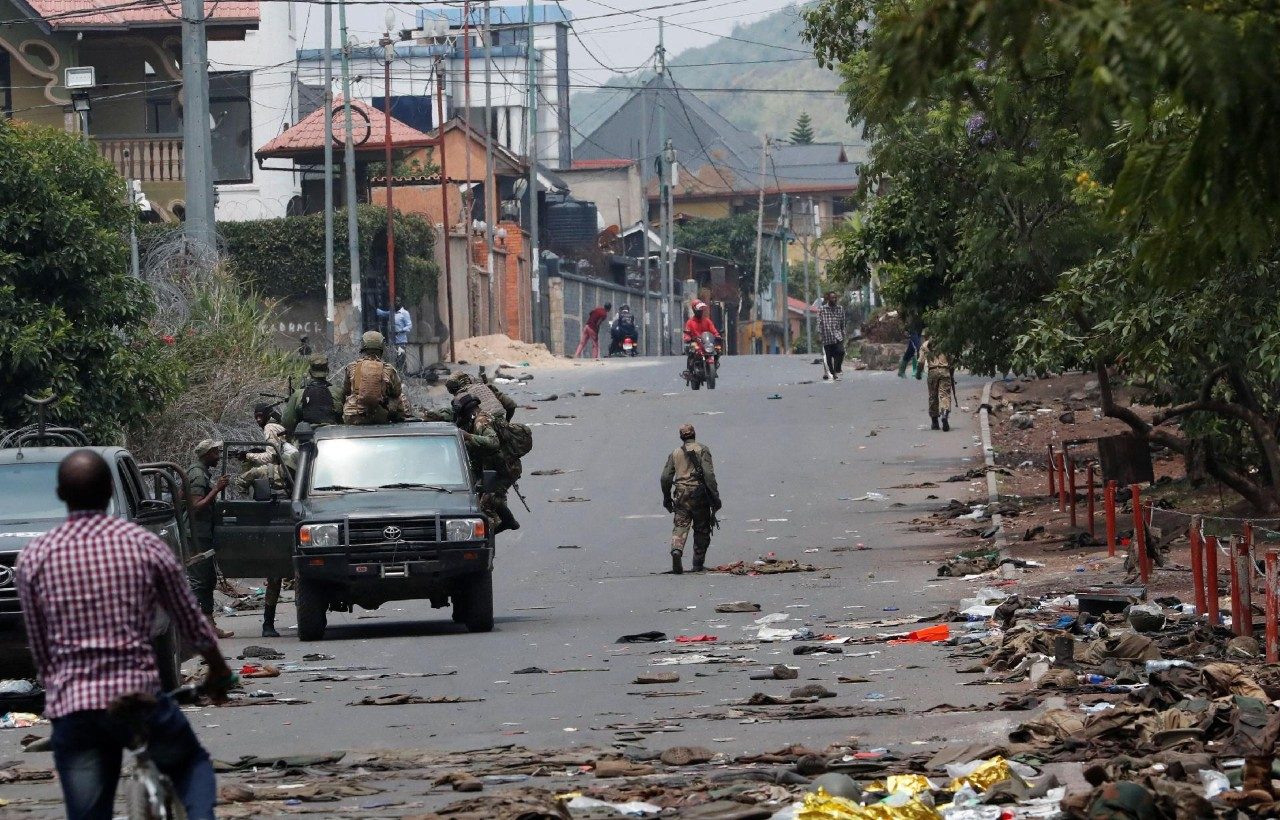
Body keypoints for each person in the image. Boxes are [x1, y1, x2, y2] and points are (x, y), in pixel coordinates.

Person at [16, 450, 237, 820]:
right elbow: (191, 620)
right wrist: (218, 670)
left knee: (87, 811)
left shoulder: (35, 556)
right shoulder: (143, 544)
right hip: (137, 698)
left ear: (60, 494)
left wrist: (57, 697)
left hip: (75, 709)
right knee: (191, 765)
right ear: (109, 491)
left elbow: (40, 646)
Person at [238, 405, 297, 638]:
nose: (257, 420)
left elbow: (242, 482)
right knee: (286, 575)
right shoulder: (296, 469)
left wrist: (248, 456)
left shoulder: (262, 469)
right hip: (292, 521)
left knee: (275, 576)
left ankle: (269, 623)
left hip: (275, 522)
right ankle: (273, 623)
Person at [451, 393, 520, 533]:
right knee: (489, 496)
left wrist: (469, 437)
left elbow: (493, 442)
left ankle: (486, 537)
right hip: (497, 467)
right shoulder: (478, 419)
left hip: (505, 468)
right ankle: (507, 521)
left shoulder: (480, 421)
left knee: (484, 507)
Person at [185, 440, 233, 639]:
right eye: (214, 452)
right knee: (200, 580)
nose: (218, 456)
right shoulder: (197, 474)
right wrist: (217, 489)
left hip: (201, 533)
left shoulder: (199, 472)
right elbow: (196, 507)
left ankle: (207, 624)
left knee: (207, 579)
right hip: (196, 534)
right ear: (206, 454)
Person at [660, 423, 720, 575]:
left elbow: (665, 477)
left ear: (681, 437)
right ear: (694, 434)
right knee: (702, 528)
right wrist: (715, 496)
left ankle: (676, 550)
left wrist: (667, 497)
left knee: (680, 524)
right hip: (699, 494)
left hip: (681, 494)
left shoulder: (675, 453)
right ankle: (698, 564)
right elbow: (709, 475)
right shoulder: (703, 449)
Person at [338, 331, 406, 425]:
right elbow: (397, 392)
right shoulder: (388, 369)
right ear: (382, 347)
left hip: (353, 416)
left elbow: (346, 391)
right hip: (378, 416)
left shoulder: (351, 366)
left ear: (363, 347)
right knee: (399, 397)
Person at [282, 354, 342, 433]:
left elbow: (287, 422)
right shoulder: (338, 392)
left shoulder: (298, 394)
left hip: (306, 436)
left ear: (310, 372)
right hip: (334, 435)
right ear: (327, 371)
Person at [919, 337, 954, 431]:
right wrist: (951, 373)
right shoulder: (945, 342)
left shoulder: (925, 345)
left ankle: (934, 422)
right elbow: (951, 359)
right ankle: (944, 414)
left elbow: (921, 361)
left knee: (933, 396)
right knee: (945, 395)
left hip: (932, 372)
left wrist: (919, 373)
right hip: (945, 371)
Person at [682, 301, 723, 377]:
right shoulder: (690, 322)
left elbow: (713, 330)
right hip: (696, 343)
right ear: (694, 310)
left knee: (718, 350)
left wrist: (717, 336)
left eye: (701, 309)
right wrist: (687, 338)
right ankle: (689, 370)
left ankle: (714, 365)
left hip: (707, 343)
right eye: (698, 309)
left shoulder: (707, 321)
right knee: (691, 351)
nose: (700, 311)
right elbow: (687, 333)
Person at [376, 298, 413, 371]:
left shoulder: (404, 313)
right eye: (394, 302)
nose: (395, 303)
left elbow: (409, 325)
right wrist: (373, 306)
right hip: (392, 342)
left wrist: (400, 331)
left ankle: (402, 374)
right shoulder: (391, 313)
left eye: (397, 301)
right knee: (394, 360)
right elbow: (382, 313)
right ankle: (396, 374)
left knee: (401, 359)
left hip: (401, 341)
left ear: (400, 303)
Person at [818, 291, 846, 380]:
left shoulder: (840, 309)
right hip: (827, 336)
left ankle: (837, 368)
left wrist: (843, 333)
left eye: (835, 298)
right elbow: (819, 323)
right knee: (829, 357)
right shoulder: (822, 309)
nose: (834, 299)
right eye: (832, 298)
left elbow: (843, 322)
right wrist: (819, 334)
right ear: (828, 299)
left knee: (841, 352)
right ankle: (833, 373)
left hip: (837, 335)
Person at [898, 314, 924, 378]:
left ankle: (901, 371)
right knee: (918, 348)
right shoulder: (912, 311)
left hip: (918, 331)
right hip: (913, 331)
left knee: (910, 351)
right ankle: (918, 371)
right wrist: (905, 329)